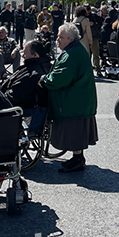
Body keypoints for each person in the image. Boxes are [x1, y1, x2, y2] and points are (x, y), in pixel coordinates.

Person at [42, 22, 99, 173]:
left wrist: (44, 80)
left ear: (71, 39)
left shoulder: (72, 54)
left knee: (75, 131)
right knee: (77, 132)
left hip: (74, 101)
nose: (57, 40)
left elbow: (59, 79)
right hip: (79, 100)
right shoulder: (76, 50)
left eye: (61, 37)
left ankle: (78, 160)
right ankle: (77, 158)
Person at [0, 40, 52, 135]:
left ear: (35, 55)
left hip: (20, 108)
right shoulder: (43, 66)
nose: (23, 56)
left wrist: (0, 95)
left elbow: (16, 95)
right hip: (21, 102)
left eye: (25, 53)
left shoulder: (34, 73)